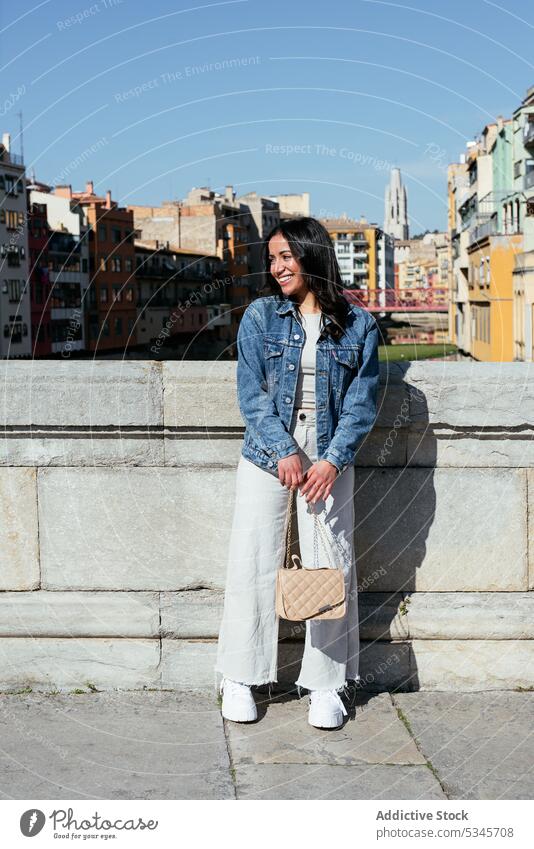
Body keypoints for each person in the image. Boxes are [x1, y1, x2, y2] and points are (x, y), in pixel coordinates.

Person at [214, 216, 379, 729]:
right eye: (272, 258)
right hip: (268, 453)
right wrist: (284, 449)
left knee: (331, 563)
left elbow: (363, 401)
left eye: (286, 256)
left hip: (330, 454)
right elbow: (251, 395)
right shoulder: (261, 316)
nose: (277, 266)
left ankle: (327, 685)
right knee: (254, 558)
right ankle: (240, 677)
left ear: (311, 255)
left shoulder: (359, 324)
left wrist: (331, 460)